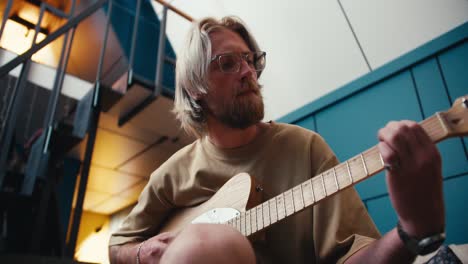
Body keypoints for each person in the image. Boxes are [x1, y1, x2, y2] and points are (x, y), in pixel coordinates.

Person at [108, 16, 445, 264]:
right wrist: (140, 253)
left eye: (250, 60)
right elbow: (116, 247)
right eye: (228, 63)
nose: (248, 72)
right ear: (196, 87)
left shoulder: (306, 149)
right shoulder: (172, 175)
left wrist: (411, 231)